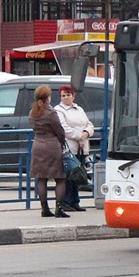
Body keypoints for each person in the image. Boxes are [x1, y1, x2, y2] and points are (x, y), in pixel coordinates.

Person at [28, 85, 70, 218]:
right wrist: (62, 142)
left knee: (41, 178)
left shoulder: (33, 112)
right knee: (60, 178)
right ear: (47, 98)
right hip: (52, 146)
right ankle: (59, 209)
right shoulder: (50, 112)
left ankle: (44, 208)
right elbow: (59, 131)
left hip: (38, 145)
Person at [54, 84, 93, 212]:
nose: (65, 98)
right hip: (69, 147)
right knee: (69, 175)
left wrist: (86, 133)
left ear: (73, 96)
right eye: (63, 95)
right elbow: (64, 128)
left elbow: (89, 124)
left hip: (82, 147)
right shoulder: (59, 110)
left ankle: (75, 202)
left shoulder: (79, 109)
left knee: (78, 174)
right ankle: (66, 202)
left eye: (68, 95)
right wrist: (79, 136)